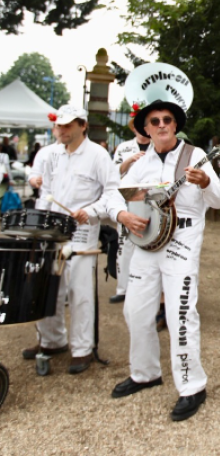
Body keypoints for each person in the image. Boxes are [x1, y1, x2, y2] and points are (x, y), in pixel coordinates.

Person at [108, 99, 220, 422]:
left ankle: (192, 386)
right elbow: (113, 196)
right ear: (145, 129)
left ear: (176, 125)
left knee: (180, 314)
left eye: (167, 120)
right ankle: (145, 373)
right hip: (146, 244)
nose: (161, 125)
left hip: (182, 242)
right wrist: (121, 213)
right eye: (154, 121)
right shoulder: (139, 163)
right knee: (135, 311)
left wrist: (205, 183)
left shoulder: (196, 155)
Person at [22, 105, 121, 374]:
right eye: (59, 125)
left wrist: (89, 211)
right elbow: (47, 192)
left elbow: (113, 194)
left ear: (82, 125)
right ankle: (52, 340)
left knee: (79, 291)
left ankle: (82, 348)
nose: (61, 130)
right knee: (47, 288)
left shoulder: (98, 156)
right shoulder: (52, 154)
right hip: (52, 230)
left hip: (82, 230)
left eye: (67, 125)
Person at [109, 119, 151, 304]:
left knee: (148, 241)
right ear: (133, 128)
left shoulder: (157, 145)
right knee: (124, 245)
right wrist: (129, 160)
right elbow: (114, 172)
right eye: (136, 125)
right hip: (127, 198)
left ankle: (147, 289)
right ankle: (123, 288)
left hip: (149, 198)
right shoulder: (124, 147)